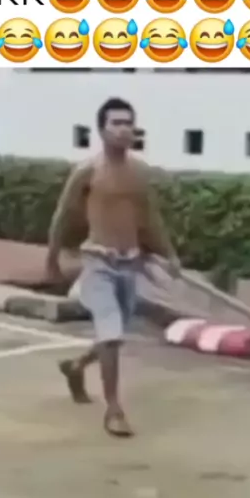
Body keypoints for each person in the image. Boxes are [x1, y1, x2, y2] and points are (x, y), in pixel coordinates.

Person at [45, 97, 180, 437]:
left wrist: (170, 255)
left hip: (130, 263)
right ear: (102, 130)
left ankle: (75, 366)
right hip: (98, 263)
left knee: (114, 336)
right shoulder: (87, 171)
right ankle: (114, 409)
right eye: (116, 123)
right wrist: (52, 257)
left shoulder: (139, 173)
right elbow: (62, 216)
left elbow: (150, 218)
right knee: (111, 332)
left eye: (129, 123)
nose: (124, 129)